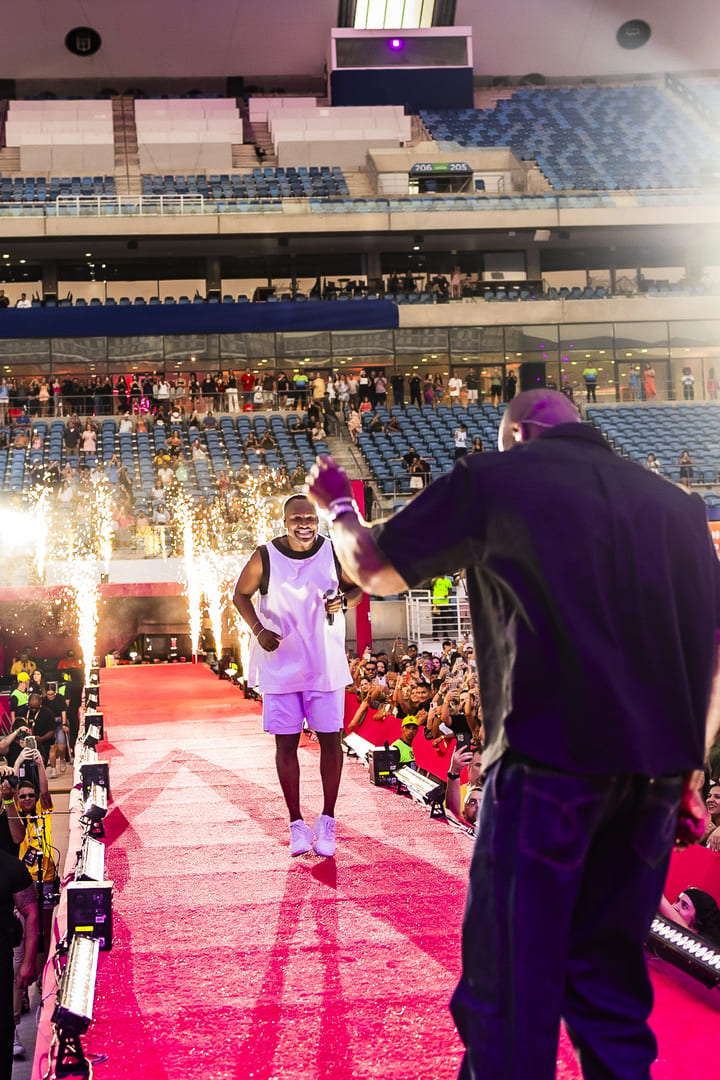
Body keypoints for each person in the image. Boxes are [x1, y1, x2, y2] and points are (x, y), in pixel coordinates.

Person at [306, 387, 720, 1080]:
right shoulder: (677, 506)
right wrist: (689, 770)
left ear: (520, 435)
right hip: (650, 779)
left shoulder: (496, 479)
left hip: (545, 765)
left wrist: (338, 508)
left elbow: (372, 568)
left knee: (509, 997)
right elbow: (713, 647)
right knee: (612, 996)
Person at [232, 494, 362, 858]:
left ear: (318, 520)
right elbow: (240, 595)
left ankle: (328, 819)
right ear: (285, 521)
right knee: (285, 746)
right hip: (281, 663)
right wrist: (258, 630)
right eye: (296, 518)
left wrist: (344, 601)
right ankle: (296, 824)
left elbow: (358, 588)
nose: (304, 523)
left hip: (325, 663)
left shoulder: (334, 551)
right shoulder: (265, 556)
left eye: (310, 518)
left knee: (331, 742)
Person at [0, 849, 38, 1073]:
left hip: (2, 960)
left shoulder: (10, 866)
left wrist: (29, 962)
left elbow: (31, 912)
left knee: (3, 1029)